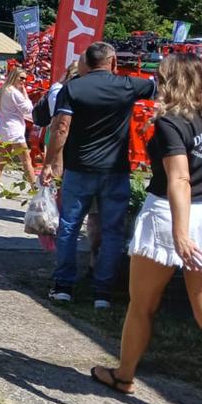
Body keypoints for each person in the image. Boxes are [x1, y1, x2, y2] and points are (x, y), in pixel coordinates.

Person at [89, 54, 202, 404]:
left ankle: (124, 376)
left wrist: (180, 232)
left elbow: (178, 179)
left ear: (171, 82)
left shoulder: (170, 122)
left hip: (166, 217)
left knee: (142, 304)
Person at [41, 41, 157, 308]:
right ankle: (103, 293)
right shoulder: (128, 85)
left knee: (69, 227)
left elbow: (61, 128)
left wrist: (49, 162)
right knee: (113, 231)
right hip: (115, 170)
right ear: (113, 61)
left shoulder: (73, 88)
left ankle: (63, 287)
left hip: (79, 168)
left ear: (87, 63)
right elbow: (164, 86)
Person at [0, 66, 36, 197]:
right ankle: (35, 190)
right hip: (14, 131)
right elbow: (28, 109)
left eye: (25, 79)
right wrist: (25, 94)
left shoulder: (2, 90)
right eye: (22, 78)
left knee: (2, 160)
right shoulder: (15, 93)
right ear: (15, 77)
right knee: (26, 161)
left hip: (2, 129)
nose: (24, 81)